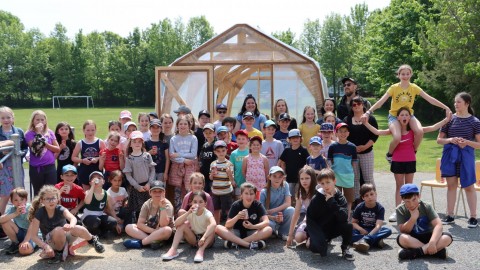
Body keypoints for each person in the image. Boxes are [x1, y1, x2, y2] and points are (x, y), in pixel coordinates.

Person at [363, 106, 451, 222]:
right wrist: (366, 123)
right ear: (398, 118)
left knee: (409, 187)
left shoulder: (414, 131)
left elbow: (432, 127)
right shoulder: (395, 131)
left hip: (410, 161)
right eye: (402, 115)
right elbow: (378, 132)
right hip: (397, 161)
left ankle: (410, 210)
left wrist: (446, 119)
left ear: (410, 117)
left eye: (406, 115)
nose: (404, 117)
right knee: (399, 186)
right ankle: (397, 210)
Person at [361, 65, 450, 162]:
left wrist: (445, 107)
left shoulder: (414, 87)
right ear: (398, 75)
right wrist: (368, 112)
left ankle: (413, 151)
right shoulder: (394, 88)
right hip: (394, 116)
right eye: (403, 74)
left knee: (419, 132)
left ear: (411, 74)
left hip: (409, 115)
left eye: (408, 74)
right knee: (397, 137)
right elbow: (381, 102)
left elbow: (430, 99)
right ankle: (389, 155)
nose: (405, 76)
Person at [21, 185, 104, 264]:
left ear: (58, 199)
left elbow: (73, 218)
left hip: (65, 236)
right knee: (59, 230)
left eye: (53, 198)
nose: (51, 201)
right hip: (51, 242)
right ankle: (59, 252)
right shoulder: (40, 213)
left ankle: (92, 240)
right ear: (42, 200)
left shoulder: (60, 208)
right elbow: (34, 236)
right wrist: (45, 246)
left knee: (78, 228)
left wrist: (71, 225)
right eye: (47, 199)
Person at [437, 92, 480, 227]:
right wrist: (450, 140)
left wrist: (466, 142)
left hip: (466, 157)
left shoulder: (475, 122)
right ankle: (450, 215)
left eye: (458, 102)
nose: (455, 104)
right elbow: (439, 140)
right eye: (455, 102)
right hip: (450, 156)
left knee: (468, 187)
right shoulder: (449, 119)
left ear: (467, 103)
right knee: (451, 186)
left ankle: (473, 217)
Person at [306, 168, 354, 260]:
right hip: (321, 229)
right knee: (314, 248)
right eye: (322, 183)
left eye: (328, 182)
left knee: (348, 225)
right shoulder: (316, 199)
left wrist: (332, 201)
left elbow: (344, 217)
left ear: (334, 181)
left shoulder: (340, 197)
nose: (325, 186)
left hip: (335, 228)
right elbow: (310, 219)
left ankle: (345, 248)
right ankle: (322, 240)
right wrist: (314, 235)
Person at [396, 184, 453, 260]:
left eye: (414, 199)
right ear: (402, 199)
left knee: (447, 237)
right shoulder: (400, 209)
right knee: (401, 238)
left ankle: (415, 252)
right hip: (414, 239)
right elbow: (403, 230)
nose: (411, 204)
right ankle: (436, 252)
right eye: (407, 201)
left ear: (419, 196)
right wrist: (413, 218)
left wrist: (432, 242)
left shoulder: (426, 206)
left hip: (430, 236)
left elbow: (438, 225)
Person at [162, 191, 217, 263]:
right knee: (182, 226)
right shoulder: (191, 212)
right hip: (194, 239)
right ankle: (173, 250)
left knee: (212, 228)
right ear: (191, 203)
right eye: (195, 202)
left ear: (205, 204)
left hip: (206, 240)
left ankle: (200, 251)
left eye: (201, 202)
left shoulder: (207, 213)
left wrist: (203, 237)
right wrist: (188, 212)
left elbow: (214, 224)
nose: (198, 204)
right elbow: (176, 223)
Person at [215, 182, 272, 250]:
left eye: (251, 194)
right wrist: (237, 217)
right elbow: (227, 225)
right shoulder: (236, 205)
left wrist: (253, 226)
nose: (249, 197)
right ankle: (249, 244)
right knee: (218, 228)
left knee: (269, 229)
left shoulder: (257, 205)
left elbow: (266, 222)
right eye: (246, 193)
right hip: (236, 233)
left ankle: (236, 243)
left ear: (255, 195)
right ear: (241, 195)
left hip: (252, 233)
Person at [344, 96, 378, 202]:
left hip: (367, 152)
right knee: (355, 179)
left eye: (359, 103)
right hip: (352, 154)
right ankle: (356, 201)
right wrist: (352, 148)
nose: (356, 106)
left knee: (368, 178)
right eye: (354, 104)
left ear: (363, 105)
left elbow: (375, 136)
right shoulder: (347, 119)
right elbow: (344, 135)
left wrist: (365, 146)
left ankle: (373, 200)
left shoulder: (371, 119)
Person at [123, 181, 174, 250]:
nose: (157, 193)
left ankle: (141, 243)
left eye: (160, 191)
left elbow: (163, 225)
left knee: (167, 230)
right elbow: (140, 224)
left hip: (164, 233)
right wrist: (153, 232)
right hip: (151, 230)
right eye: (154, 191)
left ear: (164, 192)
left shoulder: (167, 205)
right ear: (150, 193)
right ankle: (153, 241)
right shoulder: (147, 204)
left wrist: (162, 208)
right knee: (128, 227)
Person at [25, 110, 60, 195]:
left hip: (50, 166)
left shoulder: (50, 132)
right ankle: (38, 208)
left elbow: (57, 149)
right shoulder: (29, 134)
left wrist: (46, 144)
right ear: (33, 121)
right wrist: (38, 133)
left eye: (42, 119)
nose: (40, 122)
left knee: (51, 192)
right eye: (37, 120)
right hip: (36, 168)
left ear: (45, 121)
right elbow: (35, 150)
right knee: (38, 193)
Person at [123, 131, 156, 222]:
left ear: (142, 143)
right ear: (130, 144)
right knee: (140, 210)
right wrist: (137, 186)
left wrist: (149, 183)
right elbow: (128, 176)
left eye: (139, 141)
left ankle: (151, 226)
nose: (137, 144)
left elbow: (152, 170)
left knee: (151, 207)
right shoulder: (129, 159)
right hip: (137, 188)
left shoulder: (147, 155)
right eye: (134, 141)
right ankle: (140, 227)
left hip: (148, 186)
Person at [0, 106, 27, 216]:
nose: (6, 120)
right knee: (5, 194)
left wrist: (20, 155)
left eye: (8, 117)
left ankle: (23, 216)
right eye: (3, 118)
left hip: (16, 166)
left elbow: (25, 147)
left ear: (13, 118)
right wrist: (2, 154)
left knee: (19, 191)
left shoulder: (19, 131)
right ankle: (1, 217)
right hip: (4, 167)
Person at [327, 123, 358, 218]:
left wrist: (353, 173)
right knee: (336, 197)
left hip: (348, 176)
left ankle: (348, 215)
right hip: (336, 176)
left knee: (349, 199)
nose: (343, 134)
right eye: (340, 131)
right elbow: (329, 161)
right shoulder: (333, 147)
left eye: (345, 131)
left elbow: (354, 162)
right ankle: (337, 215)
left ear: (348, 133)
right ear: (336, 133)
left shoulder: (352, 147)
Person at [169, 115, 198, 214]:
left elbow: (193, 154)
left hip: (190, 166)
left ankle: (191, 213)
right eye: (180, 124)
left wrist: (179, 155)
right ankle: (178, 213)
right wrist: (184, 160)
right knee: (177, 190)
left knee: (189, 188)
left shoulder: (193, 138)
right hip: (177, 167)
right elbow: (172, 156)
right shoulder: (173, 139)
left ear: (189, 126)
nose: (183, 126)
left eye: (185, 124)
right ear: (177, 126)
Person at [351, 184, 392, 252]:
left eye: (371, 194)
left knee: (388, 231)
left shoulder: (380, 208)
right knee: (348, 233)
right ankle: (376, 242)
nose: (370, 197)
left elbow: (378, 225)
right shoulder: (359, 207)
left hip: (374, 230)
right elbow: (353, 222)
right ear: (363, 198)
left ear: (376, 194)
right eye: (366, 195)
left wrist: (369, 235)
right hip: (362, 230)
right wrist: (360, 229)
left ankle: (364, 240)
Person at [259, 166, 294, 241]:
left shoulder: (285, 185)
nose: (277, 179)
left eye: (280, 177)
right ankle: (272, 232)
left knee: (291, 210)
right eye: (274, 176)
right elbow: (261, 213)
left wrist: (273, 211)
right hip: (270, 217)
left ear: (283, 178)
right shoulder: (264, 192)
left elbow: (288, 203)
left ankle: (283, 233)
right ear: (269, 177)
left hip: (280, 213)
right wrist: (273, 217)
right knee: (269, 224)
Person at [82, 171, 122, 237]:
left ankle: (100, 232)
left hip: (100, 216)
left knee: (113, 222)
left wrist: (116, 223)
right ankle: (93, 232)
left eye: (99, 178)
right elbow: (87, 202)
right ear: (90, 182)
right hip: (88, 217)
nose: (96, 180)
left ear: (103, 181)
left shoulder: (106, 194)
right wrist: (92, 186)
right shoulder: (88, 192)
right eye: (93, 178)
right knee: (95, 221)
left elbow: (111, 209)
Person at [285, 166, 316, 247]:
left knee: (310, 245)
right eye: (302, 179)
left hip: (319, 222)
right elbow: (296, 214)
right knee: (298, 238)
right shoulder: (300, 193)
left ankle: (323, 237)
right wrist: (290, 234)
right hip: (308, 220)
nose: (304, 181)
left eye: (307, 178)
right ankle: (310, 236)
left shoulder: (318, 190)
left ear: (312, 178)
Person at [0, 188, 36, 255]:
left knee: (24, 251)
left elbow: (33, 225)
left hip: (31, 235)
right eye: (16, 200)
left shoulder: (30, 208)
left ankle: (27, 245)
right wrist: (15, 214)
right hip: (19, 232)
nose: (19, 202)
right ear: (12, 201)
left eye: (22, 199)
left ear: (26, 200)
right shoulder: (13, 209)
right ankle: (15, 243)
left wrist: (26, 240)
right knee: (5, 222)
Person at [71, 120, 105, 190]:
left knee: (97, 191)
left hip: (97, 170)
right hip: (85, 171)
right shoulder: (80, 143)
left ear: (95, 130)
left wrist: (97, 159)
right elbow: (73, 158)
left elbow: (105, 155)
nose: (90, 132)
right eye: (88, 130)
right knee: (86, 193)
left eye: (92, 130)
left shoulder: (100, 142)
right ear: (84, 131)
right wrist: (82, 160)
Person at [278, 129, 309, 204]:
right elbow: (280, 162)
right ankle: (291, 211)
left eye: (297, 137)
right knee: (289, 197)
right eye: (293, 138)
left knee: (300, 196)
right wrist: (282, 174)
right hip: (289, 179)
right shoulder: (287, 150)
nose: (295, 139)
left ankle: (300, 211)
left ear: (300, 139)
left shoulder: (304, 150)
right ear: (289, 140)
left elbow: (308, 163)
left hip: (301, 179)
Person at [209, 140, 235, 223]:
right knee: (216, 210)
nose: (221, 153)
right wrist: (212, 174)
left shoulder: (229, 164)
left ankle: (229, 226)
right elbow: (210, 178)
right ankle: (217, 226)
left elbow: (232, 180)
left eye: (223, 150)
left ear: (226, 151)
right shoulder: (213, 164)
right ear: (215, 152)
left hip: (226, 191)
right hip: (215, 191)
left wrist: (229, 174)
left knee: (228, 210)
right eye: (218, 151)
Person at [145, 119, 169, 185]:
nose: (155, 129)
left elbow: (167, 159)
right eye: (153, 127)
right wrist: (149, 153)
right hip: (149, 171)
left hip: (161, 171)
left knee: (161, 188)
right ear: (150, 129)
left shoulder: (164, 143)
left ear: (161, 129)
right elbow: (143, 157)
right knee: (151, 189)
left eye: (157, 127)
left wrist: (166, 172)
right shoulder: (146, 143)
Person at [230, 130, 250, 200]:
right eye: (239, 139)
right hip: (238, 182)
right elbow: (231, 168)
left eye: (243, 139)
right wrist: (232, 180)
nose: (241, 141)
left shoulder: (250, 152)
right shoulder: (233, 154)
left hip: (249, 182)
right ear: (236, 140)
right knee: (238, 199)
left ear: (247, 140)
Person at [199, 123, 217, 193]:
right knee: (205, 193)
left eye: (210, 133)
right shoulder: (204, 145)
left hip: (212, 174)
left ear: (214, 133)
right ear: (203, 134)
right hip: (204, 173)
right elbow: (201, 157)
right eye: (206, 133)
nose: (208, 135)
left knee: (212, 193)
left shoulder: (216, 144)